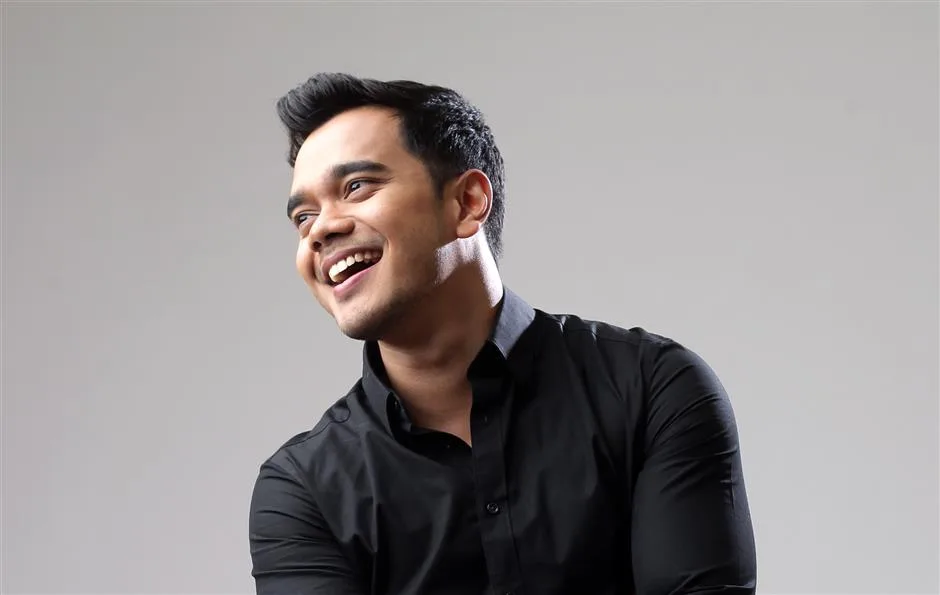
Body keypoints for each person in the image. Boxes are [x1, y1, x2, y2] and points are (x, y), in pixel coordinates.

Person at [248, 72, 757, 595]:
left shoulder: (651, 389)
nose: (320, 230)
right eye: (303, 217)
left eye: (356, 187)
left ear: (468, 202)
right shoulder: (302, 490)